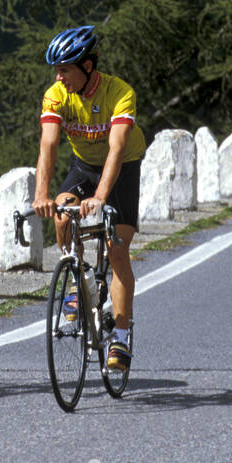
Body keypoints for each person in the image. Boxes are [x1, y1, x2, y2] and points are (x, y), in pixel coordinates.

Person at [32, 25, 145, 371]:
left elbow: (117, 147)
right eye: (57, 69)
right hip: (83, 167)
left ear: (88, 67)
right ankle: (77, 283)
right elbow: (49, 145)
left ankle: (121, 338)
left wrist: (99, 197)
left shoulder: (119, 92)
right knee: (63, 217)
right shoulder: (56, 95)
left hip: (121, 168)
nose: (58, 76)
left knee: (117, 250)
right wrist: (42, 195)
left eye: (65, 69)